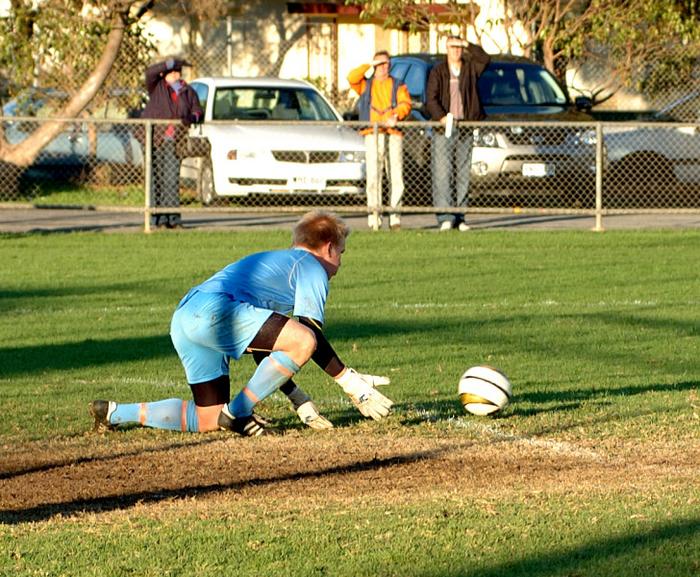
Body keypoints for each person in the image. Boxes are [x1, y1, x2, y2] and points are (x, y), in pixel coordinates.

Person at [89, 211, 393, 436]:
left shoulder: (280, 263)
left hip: (184, 317)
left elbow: (270, 350)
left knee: (207, 419)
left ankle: (113, 412)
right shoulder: (311, 267)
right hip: (214, 312)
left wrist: (297, 397)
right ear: (328, 247)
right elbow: (308, 335)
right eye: (341, 252)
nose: (341, 260)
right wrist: (352, 384)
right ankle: (237, 413)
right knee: (303, 340)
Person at [426, 36, 490, 231]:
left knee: (463, 174)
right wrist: (440, 117)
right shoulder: (438, 71)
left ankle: (460, 216)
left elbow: (485, 59)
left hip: (465, 126)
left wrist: (467, 44)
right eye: (452, 47)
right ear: (446, 49)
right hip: (444, 128)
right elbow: (431, 98)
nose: (456, 51)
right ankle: (445, 216)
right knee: (443, 173)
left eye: (458, 47)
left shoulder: (470, 68)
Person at [348, 51, 411, 230]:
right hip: (372, 134)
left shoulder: (397, 84)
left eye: (387, 64)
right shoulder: (366, 85)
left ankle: (395, 216)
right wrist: (369, 63)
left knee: (396, 175)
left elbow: (405, 103)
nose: (385, 68)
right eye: (381, 64)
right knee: (374, 175)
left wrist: (396, 115)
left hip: (393, 132)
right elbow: (352, 77)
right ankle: (374, 217)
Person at [141, 57, 203, 229]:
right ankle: (155, 219)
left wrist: (191, 118)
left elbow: (198, 111)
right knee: (155, 180)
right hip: (155, 140)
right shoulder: (157, 87)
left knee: (171, 179)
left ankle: (172, 219)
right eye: (171, 72)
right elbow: (150, 73)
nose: (175, 75)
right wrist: (168, 63)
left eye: (177, 72)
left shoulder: (187, 91)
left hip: (174, 142)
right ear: (165, 74)